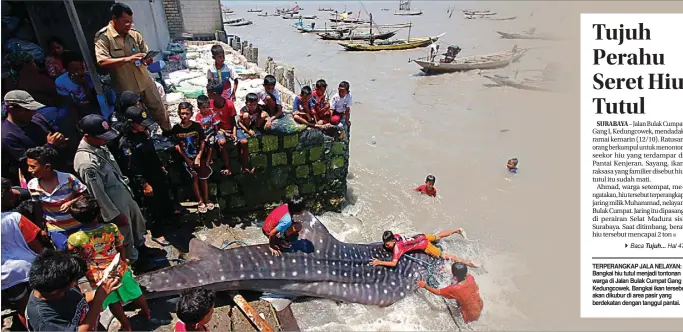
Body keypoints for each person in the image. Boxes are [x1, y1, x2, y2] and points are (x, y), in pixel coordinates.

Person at [73, 114, 149, 268]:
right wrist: (113, 215)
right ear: (87, 136)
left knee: (137, 222)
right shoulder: (86, 162)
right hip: (112, 201)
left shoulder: (99, 146)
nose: (105, 140)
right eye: (101, 137)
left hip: (122, 191)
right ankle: (135, 261)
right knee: (124, 232)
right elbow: (97, 193)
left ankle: (142, 248)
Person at [67, 197, 150, 331]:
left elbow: (73, 253)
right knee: (135, 290)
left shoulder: (75, 238)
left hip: (97, 275)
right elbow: (120, 246)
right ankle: (146, 311)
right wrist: (123, 261)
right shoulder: (111, 228)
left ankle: (125, 324)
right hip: (118, 268)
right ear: (99, 212)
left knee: (112, 300)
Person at [95, 2, 171, 131]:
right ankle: (144, 141)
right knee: (136, 117)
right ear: (114, 18)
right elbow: (102, 62)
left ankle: (169, 134)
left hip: (145, 80)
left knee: (159, 110)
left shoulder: (135, 34)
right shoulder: (104, 38)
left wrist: (148, 60)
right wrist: (127, 59)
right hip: (126, 87)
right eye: (125, 22)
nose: (129, 25)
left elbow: (145, 54)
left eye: (131, 22)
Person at [118, 105, 177, 245]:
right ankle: (157, 233)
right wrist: (144, 184)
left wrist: (160, 166)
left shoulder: (143, 134)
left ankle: (169, 223)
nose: (144, 126)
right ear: (132, 123)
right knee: (151, 207)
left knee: (164, 200)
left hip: (156, 173)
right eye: (141, 124)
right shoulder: (127, 143)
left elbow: (151, 153)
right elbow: (132, 168)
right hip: (145, 179)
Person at [25, 249, 121, 331]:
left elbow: (80, 298)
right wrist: (98, 300)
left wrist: (103, 290)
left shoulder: (60, 283)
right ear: (57, 290)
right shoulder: (44, 319)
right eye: (74, 282)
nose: (75, 284)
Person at [26, 146, 88, 250]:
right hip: (56, 228)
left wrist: (71, 203)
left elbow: (85, 195)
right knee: (64, 251)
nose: (29, 170)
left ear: (47, 167)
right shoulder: (32, 185)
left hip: (78, 224)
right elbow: (38, 207)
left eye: (33, 167)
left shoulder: (68, 179)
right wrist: (41, 228)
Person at [1, 90, 68, 184]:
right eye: (27, 110)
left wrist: (60, 141)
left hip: (62, 169)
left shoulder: (37, 119)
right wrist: (50, 145)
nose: (31, 113)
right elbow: (28, 164)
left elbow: (53, 136)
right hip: (43, 181)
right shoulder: (7, 137)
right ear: (11, 109)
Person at [1, 180, 44, 329]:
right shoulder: (15, 218)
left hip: (6, 277)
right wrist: (46, 258)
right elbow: (35, 243)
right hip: (29, 267)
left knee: (23, 309)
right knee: (45, 301)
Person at [171, 103, 213, 214]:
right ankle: (200, 201)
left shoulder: (197, 126)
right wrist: (187, 159)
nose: (184, 116)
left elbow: (202, 142)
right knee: (194, 178)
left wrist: (199, 157)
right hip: (187, 158)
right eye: (182, 113)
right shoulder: (176, 129)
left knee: (203, 178)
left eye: (187, 113)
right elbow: (178, 146)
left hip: (198, 156)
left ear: (191, 114)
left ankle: (206, 198)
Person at [370, 229, 480, 268]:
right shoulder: (397, 235)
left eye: (388, 244)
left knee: (444, 255)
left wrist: (379, 262)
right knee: (438, 236)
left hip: (425, 245)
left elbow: (394, 263)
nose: (386, 246)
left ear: (393, 241)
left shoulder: (397, 248)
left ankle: (468, 263)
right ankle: (457, 230)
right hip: (421, 236)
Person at [206, 82, 253, 174]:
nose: (207, 94)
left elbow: (233, 122)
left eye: (209, 92)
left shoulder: (229, 104)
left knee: (244, 142)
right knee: (222, 143)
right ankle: (228, 167)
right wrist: (224, 132)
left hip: (231, 128)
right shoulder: (210, 105)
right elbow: (214, 123)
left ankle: (244, 166)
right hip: (219, 129)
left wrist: (234, 134)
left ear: (214, 94)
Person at [417, 262, 484, 324]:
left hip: (470, 315)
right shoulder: (470, 277)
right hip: (480, 305)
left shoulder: (454, 289)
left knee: (464, 317)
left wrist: (425, 285)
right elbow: (463, 274)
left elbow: (437, 292)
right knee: (463, 298)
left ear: (455, 276)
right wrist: (447, 270)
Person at [55, 51, 100, 121]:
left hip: (94, 107)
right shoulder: (61, 82)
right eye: (76, 70)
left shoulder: (92, 77)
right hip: (77, 110)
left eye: (81, 68)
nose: (79, 72)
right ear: (67, 69)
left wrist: (84, 84)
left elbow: (95, 101)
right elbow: (69, 105)